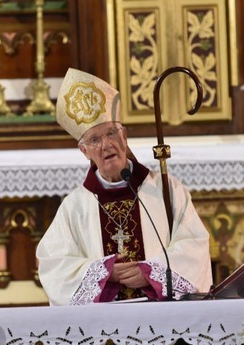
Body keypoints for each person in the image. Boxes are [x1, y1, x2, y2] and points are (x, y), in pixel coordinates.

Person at [36, 68, 212, 305]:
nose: (106, 145)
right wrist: (104, 272)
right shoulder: (75, 206)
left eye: (111, 133)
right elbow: (53, 264)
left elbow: (195, 245)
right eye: (95, 140)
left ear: (124, 136)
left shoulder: (164, 189)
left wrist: (150, 273)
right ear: (84, 150)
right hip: (103, 325)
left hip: (161, 315)